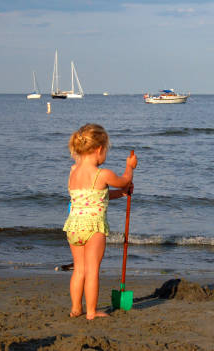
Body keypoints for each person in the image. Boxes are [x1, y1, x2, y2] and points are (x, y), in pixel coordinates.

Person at [63, 123, 137, 319]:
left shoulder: (73, 171)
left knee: (79, 269)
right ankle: (92, 312)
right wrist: (130, 167)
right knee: (92, 270)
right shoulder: (102, 174)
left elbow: (95, 195)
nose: (105, 155)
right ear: (98, 150)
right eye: (106, 150)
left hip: (73, 227)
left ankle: (76, 308)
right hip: (94, 227)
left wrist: (120, 194)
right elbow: (125, 180)